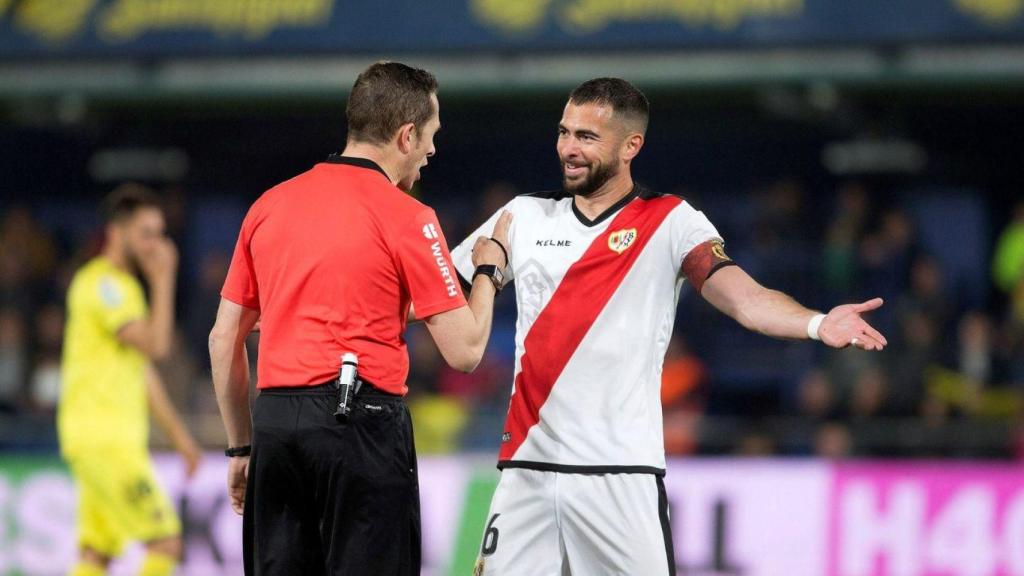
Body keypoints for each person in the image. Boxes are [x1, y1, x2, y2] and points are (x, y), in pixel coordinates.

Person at [450, 78, 887, 575]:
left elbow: (746, 301)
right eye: (564, 132)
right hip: (525, 470)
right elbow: (434, 297)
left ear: (631, 145)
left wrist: (815, 323)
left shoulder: (670, 221)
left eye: (587, 137)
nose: (568, 148)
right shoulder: (522, 216)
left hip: (620, 476)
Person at [208, 61, 510, 576]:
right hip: (361, 428)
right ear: (406, 135)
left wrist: (241, 447)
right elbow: (465, 351)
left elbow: (222, 340)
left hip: (277, 428)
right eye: (431, 136)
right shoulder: (408, 216)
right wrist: (489, 269)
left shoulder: (268, 205)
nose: (434, 150)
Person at [58, 184, 202, 576]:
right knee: (166, 541)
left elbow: (142, 372)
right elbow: (157, 347)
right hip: (105, 440)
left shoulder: (121, 291)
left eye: (160, 234)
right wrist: (164, 278)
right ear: (116, 232)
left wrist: (179, 438)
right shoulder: (102, 285)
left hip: (101, 440)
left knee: (97, 552)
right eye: (146, 234)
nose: (156, 246)